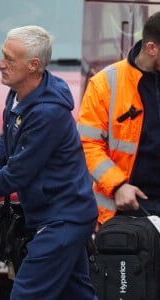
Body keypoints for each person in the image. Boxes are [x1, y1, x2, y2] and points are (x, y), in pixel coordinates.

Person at [0, 25, 98, 299]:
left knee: (26, 294)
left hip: (62, 220)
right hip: (58, 216)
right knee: (77, 295)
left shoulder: (47, 113)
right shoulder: (19, 94)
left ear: (33, 65)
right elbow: (6, 142)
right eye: (3, 55)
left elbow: (16, 174)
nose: (0, 64)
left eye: (9, 59)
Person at [77, 11, 160, 227]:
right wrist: (118, 186)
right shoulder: (105, 83)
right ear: (152, 49)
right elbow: (88, 145)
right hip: (125, 210)